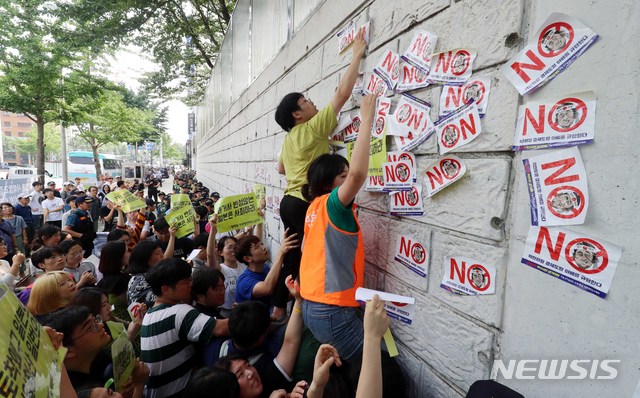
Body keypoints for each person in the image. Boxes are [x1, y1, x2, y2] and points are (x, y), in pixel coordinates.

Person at [274, 29, 367, 320]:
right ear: (298, 115)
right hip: (304, 203)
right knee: (315, 255)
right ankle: (310, 306)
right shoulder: (313, 128)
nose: (313, 103)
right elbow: (341, 95)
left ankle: (279, 309)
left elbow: (280, 168)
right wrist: (357, 55)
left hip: (288, 202)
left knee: (292, 254)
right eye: (307, 100)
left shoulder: (289, 139)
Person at [298, 94, 376, 361]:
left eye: (346, 175)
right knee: (378, 370)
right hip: (330, 310)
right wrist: (367, 120)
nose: (348, 181)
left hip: (313, 306)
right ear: (330, 184)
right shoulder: (332, 204)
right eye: (341, 177)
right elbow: (358, 175)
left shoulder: (313, 207)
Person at [140, 258, 229, 398]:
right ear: (166, 289)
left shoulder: (150, 315)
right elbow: (222, 328)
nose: (191, 284)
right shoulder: (178, 312)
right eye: (185, 282)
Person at [234, 230, 298, 312]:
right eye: (257, 247)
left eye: (262, 244)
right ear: (248, 258)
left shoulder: (265, 268)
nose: (264, 248)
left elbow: (275, 296)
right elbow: (267, 288)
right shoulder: (244, 282)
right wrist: (281, 252)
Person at [126, 239, 165, 306]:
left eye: (162, 252)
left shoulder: (151, 274)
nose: (162, 256)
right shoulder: (140, 281)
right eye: (157, 253)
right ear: (145, 258)